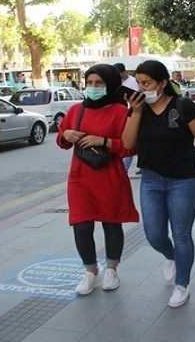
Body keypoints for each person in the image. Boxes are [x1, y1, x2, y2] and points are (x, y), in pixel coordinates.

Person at [122, 60, 195, 308]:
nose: (142, 88)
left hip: (183, 179)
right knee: (154, 234)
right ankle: (171, 256)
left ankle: (182, 284)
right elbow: (127, 143)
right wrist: (136, 112)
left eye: (147, 83)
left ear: (162, 83)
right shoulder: (138, 109)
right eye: (139, 83)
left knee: (181, 234)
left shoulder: (183, 106)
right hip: (151, 179)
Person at [57, 64, 139, 295]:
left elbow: (131, 147)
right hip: (80, 178)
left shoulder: (121, 112)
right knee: (81, 225)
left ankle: (111, 269)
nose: (93, 87)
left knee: (111, 223)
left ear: (110, 85)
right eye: (90, 83)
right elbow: (62, 141)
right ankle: (90, 271)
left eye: (99, 83)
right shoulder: (76, 110)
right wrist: (66, 134)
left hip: (109, 177)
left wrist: (103, 141)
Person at [114, 62, 140, 173]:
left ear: (124, 72)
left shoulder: (133, 82)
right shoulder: (117, 82)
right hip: (123, 114)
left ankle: (124, 169)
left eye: (119, 74)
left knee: (130, 143)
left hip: (134, 113)